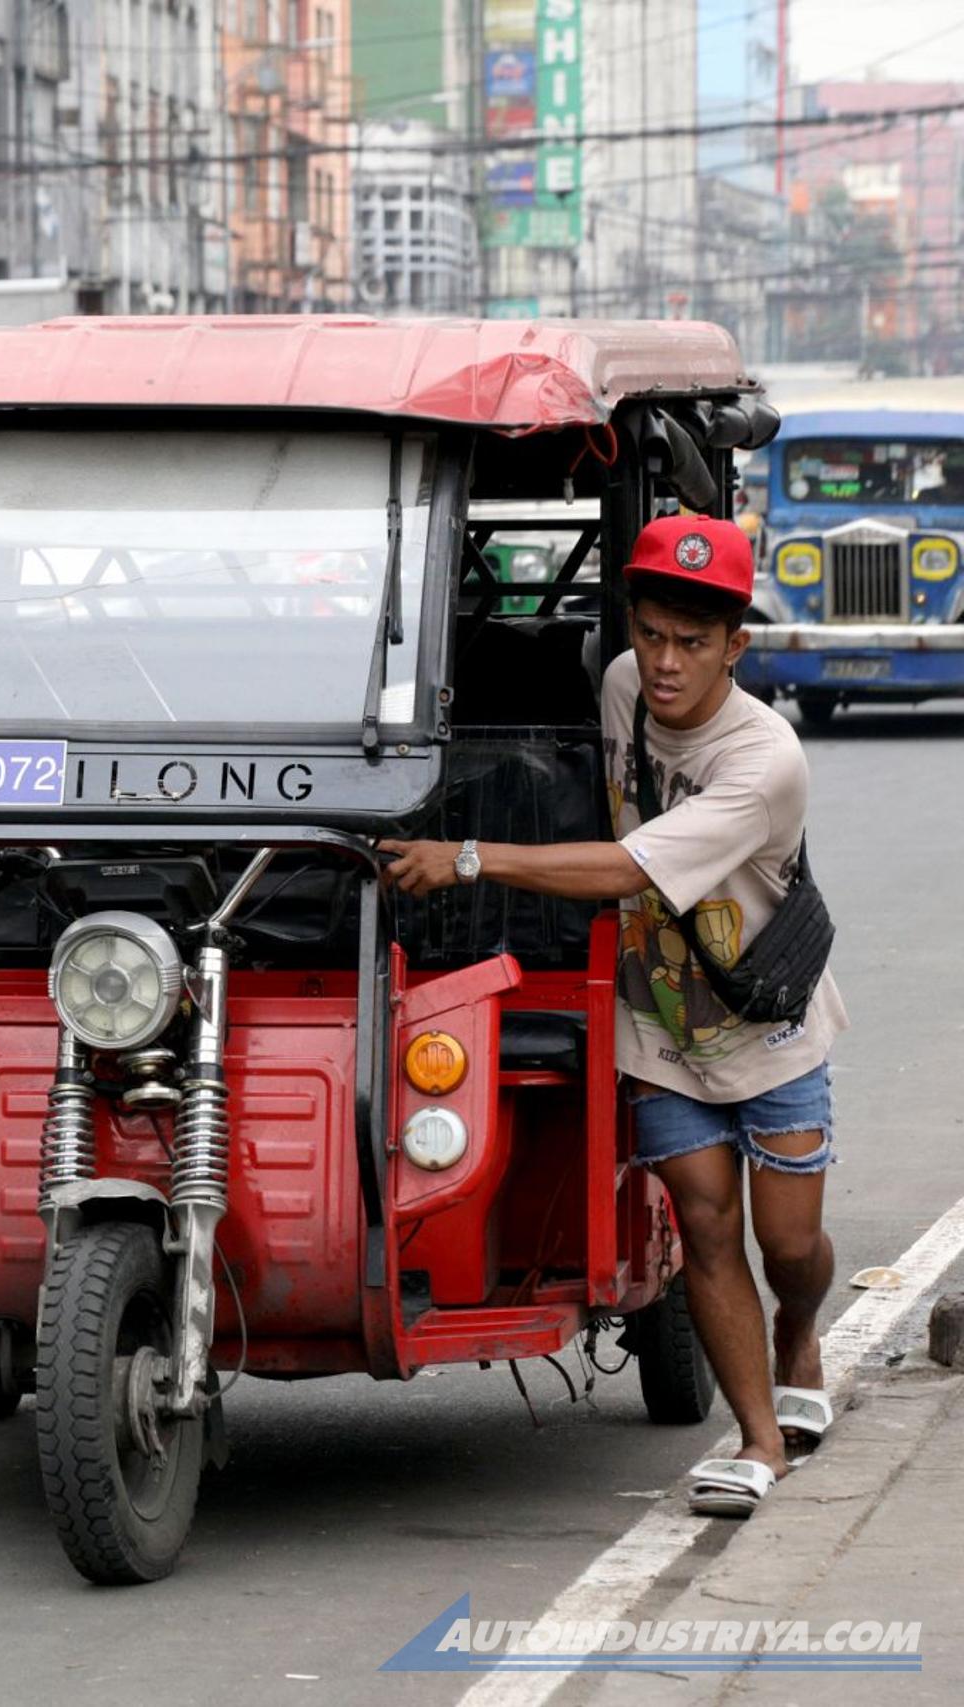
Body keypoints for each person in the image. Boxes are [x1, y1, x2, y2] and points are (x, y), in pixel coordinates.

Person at [380, 516, 844, 1517]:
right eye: (652, 635)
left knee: (788, 1243)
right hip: (660, 1029)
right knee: (707, 1228)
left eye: (692, 642)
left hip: (768, 1026)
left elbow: (627, 866)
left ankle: (798, 1330)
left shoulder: (765, 761)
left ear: (735, 647)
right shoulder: (622, 687)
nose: (666, 663)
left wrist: (465, 857)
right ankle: (757, 1444)